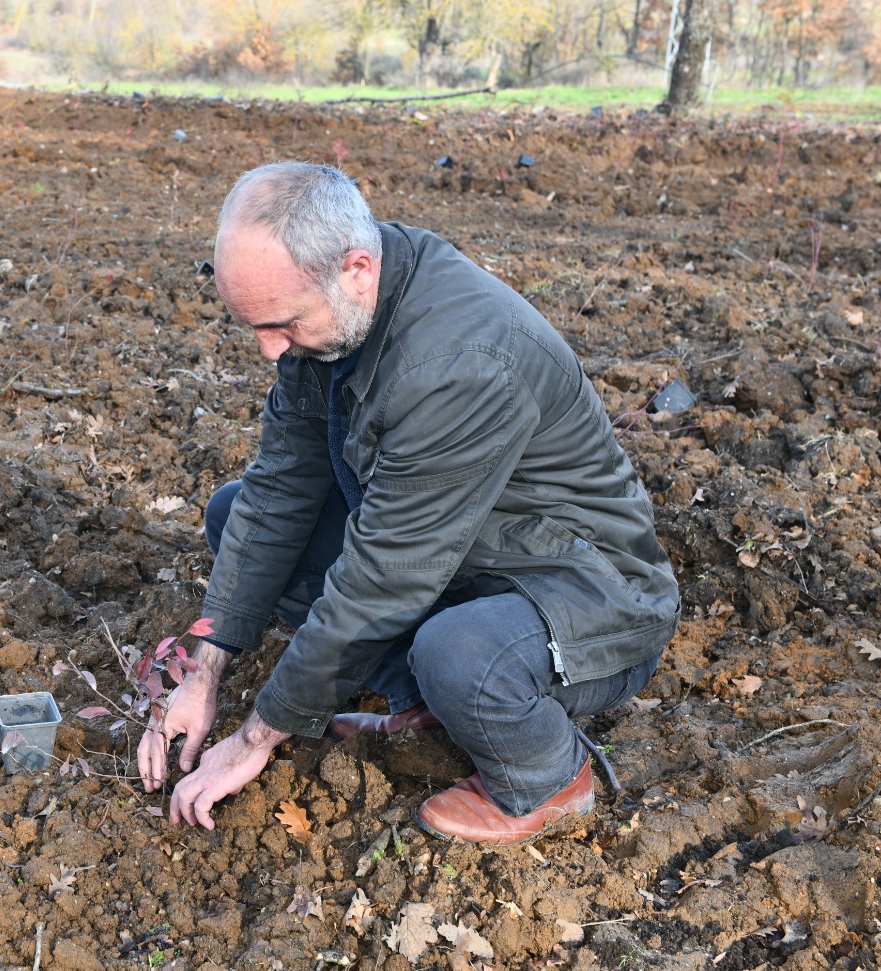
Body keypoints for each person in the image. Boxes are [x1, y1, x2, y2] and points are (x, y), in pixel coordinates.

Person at [137, 162, 679, 845]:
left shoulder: (456, 364)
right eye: (254, 325)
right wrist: (207, 667)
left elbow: (383, 580)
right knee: (234, 510)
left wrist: (254, 738)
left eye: (281, 324)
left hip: (581, 592)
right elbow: (280, 490)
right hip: (462, 556)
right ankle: (422, 701)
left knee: (462, 657)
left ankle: (549, 776)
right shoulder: (338, 307)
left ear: (356, 267)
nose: (270, 350)